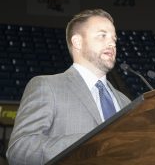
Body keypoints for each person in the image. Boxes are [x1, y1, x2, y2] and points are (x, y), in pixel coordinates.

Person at [6, 9, 131, 164]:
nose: (112, 43)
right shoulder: (47, 86)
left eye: (114, 38)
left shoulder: (125, 101)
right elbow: (19, 149)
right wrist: (89, 143)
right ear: (77, 42)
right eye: (102, 35)